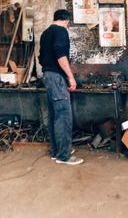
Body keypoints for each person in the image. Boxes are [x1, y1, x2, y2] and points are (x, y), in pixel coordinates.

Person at [39, 9, 84, 166]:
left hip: (48, 76)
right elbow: (61, 55)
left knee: (54, 116)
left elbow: (41, 57)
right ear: (67, 21)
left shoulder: (45, 33)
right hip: (57, 78)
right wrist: (70, 77)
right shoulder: (61, 31)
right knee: (64, 116)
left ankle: (56, 151)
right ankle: (64, 156)